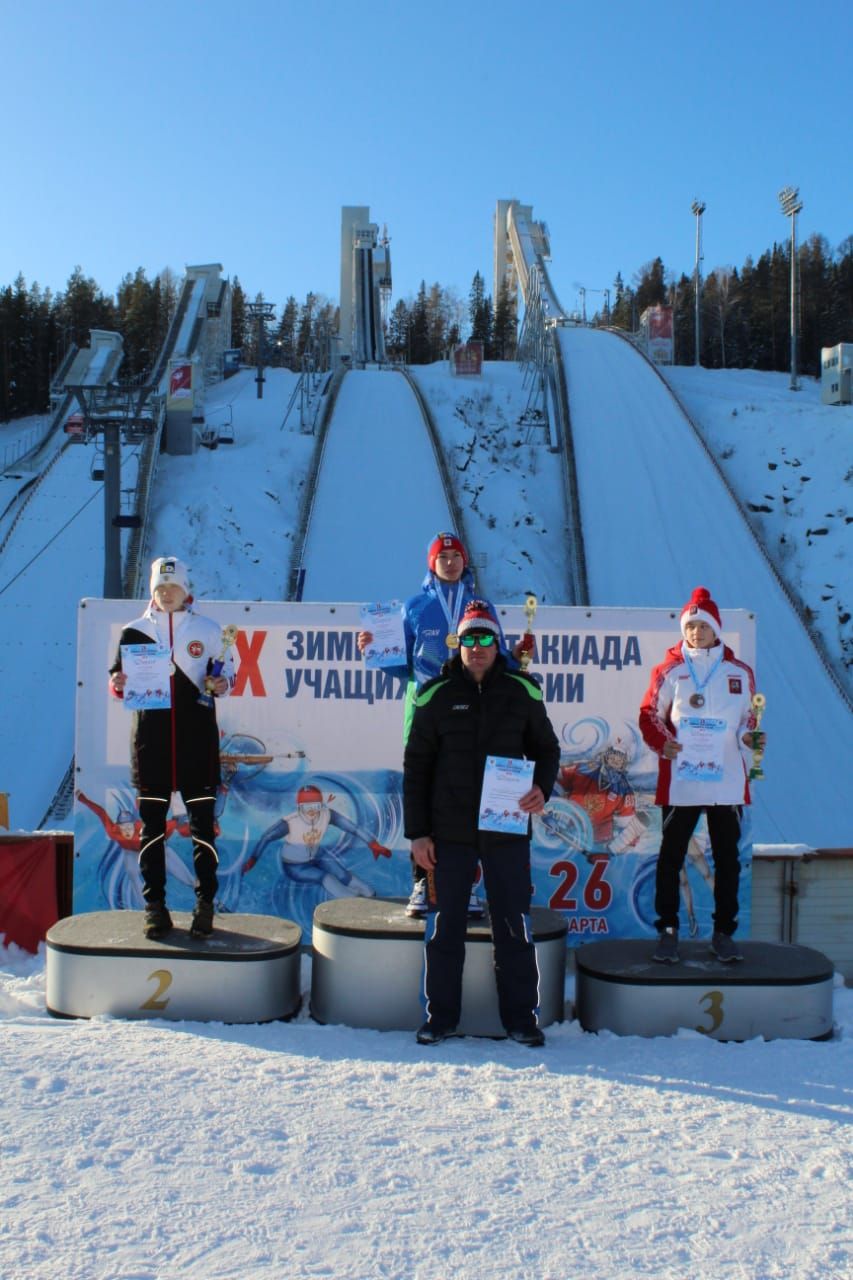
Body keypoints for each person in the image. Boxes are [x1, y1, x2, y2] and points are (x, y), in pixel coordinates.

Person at [403, 599, 560, 1047]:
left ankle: (520, 1019)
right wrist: (418, 834)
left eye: (485, 637)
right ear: (458, 643)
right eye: (469, 638)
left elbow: (547, 751)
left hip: (506, 829)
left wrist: (542, 789)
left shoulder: (522, 691)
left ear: (498, 643)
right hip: (447, 835)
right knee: (445, 925)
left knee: (512, 923)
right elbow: (416, 767)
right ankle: (440, 1017)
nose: (477, 646)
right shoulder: (435, 695)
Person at [357, 531, 529, 919]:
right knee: (426, 794)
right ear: (431, 563)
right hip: (424, 708)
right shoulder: (415, 606)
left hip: (473, 710)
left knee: (467, 794)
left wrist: (517, 658)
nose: (450, 562)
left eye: (456, 555)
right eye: (442, 556)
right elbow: (402, 663)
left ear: (465, 561)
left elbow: (497, 658)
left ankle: (465, 884)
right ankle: (423, 882)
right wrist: (375, 652)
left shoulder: (480, 605)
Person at [108, 556, 235, 940]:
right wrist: (119, 682)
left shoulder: (209, 630)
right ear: (152, 591)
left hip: (196, 743)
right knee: (151, 831)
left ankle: (205, 905)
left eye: (173, 587)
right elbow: (117, 681)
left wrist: (221, 683)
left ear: (186, 590)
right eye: (160, 588)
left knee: (202, 830)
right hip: (152, 745)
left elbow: (229, 671)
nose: (166, 594)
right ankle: (154, 908)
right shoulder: (133, 631)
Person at [638, 585, 766, 964]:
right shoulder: (670, 670)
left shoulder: (739, 673)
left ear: (716, 629)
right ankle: (668, 930)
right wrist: (666, 744)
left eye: (703, 626)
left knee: (727, 859)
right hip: (683, 780)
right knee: (671, 857)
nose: (696, 632)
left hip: (725, 781)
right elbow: (648, 714)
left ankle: (724, 932)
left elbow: (750, 719)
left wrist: (749, 737)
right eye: (690, 626)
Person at [242, 782, 391, 899]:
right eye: (306, 807)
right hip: (295, 865)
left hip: (317, 855)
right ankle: (351, 899)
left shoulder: (327, 814)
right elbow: (266, 837)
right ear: (299, 807)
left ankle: (367, 892)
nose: (312, 811)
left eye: (315, 806)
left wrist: (373, 843)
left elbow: (353, 828)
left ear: (321, 805)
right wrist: (253, 859)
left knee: (340, 873)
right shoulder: (290, 822)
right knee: (324, 877)